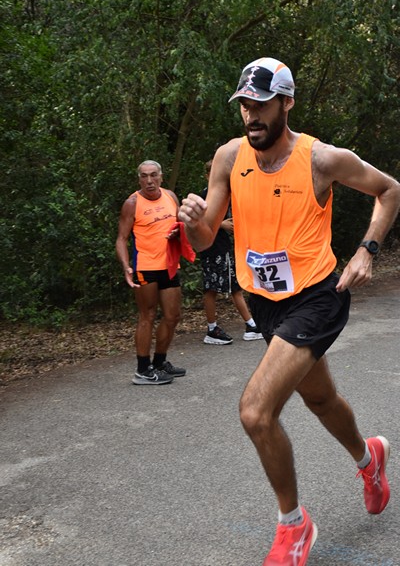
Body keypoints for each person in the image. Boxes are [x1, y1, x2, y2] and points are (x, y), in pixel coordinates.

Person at [178, 57, 400, 565]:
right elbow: (207, 235)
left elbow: (389, 190)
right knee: (321, 400)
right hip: (264, 300)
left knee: (257, 412)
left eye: (261, 105)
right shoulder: (228, 158)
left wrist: (367, 248)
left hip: (317, 297)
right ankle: (370, 459)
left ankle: (294, 525)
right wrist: (192, 223)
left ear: (287, 102)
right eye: (245, 107)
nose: (251, 116)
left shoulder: (322, 159)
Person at [116, 159, 187, 385]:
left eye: (153, 175)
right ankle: (142, 370)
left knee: (173, 316)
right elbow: (121, 239)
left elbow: (178, 226)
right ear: (139, 179)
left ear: (161, 177)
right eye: (144, 176)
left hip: (169, 265)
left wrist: (178, 235)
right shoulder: (132, 203)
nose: (149, 180)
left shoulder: (170, 196)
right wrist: (126, 266)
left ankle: (159, 362)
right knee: (147, 316)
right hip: (145, 267)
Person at [200, 159, 263, 344]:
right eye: (213, 173)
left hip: (226, 247)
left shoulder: (229, 194)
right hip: (212, 249)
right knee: (215, 288)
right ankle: (216, 329)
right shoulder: (205, 196)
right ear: (207, 176)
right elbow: (197, 222)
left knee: (233, 285)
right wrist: (221, 225)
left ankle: (249, 325)